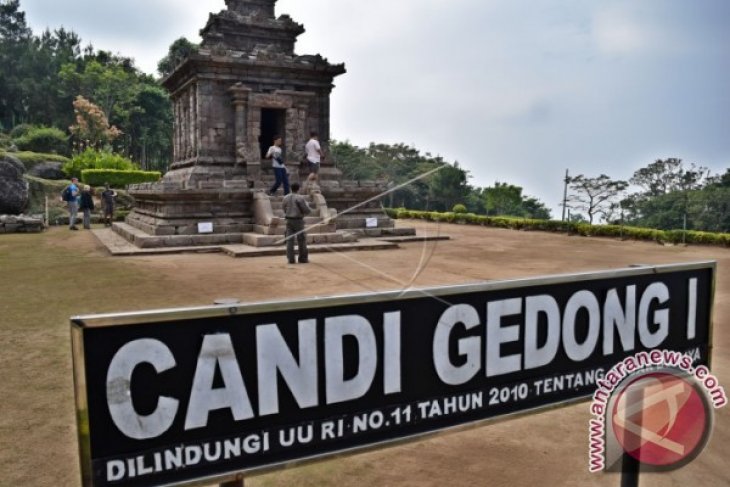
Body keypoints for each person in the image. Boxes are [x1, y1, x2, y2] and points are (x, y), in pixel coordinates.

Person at [282, 182, 312, 264]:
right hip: (298, 220)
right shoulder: (300, 198)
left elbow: (283, 208)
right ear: (298, 189)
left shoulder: (285, 197)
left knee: (289, 240)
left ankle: (290, 259)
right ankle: (302, 258)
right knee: (301, 239)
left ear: (291, 188)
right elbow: (306, 210)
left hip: (288, 220)